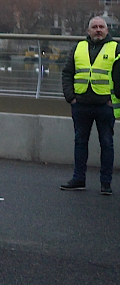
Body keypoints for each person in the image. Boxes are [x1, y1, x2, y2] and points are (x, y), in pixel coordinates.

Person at [60, 16, 120, 195]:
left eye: (102, 27)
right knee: (80, 142)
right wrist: (71, 97)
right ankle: (79, 179)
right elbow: (67, 73)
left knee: (107, 144)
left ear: (107, 31)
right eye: (94, 27)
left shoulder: (116, 48)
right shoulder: (78, 48)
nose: (98, 30)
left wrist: (113, 99)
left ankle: (106, 183)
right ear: (88, 31)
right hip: (81, 104)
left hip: (105, 105)